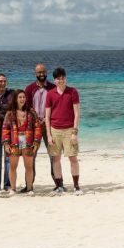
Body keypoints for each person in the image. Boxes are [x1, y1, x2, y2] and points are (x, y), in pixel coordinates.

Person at [45, 67, 81, 195]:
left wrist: (74, 133)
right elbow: (47, 116)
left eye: (63, 78)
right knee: (56, 159)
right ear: (54, 80)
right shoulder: (50, 94)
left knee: (73, 158)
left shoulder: (73, 92)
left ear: (65, 78)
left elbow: (77, 114)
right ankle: (59, 186)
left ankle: (76, 186)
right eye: (58, 78)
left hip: (69, 130)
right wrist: (49, 135)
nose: (61, 80)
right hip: (55, 130)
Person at [1, 89, 43, 195]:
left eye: (24, 97)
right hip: (14, 141)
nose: (22, 99)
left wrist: (36, 142)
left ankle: (29, 188)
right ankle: (13, 189)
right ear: (15, 99)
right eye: (20, 97)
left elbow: (37, 127)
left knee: (29, 167)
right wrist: (6, 143)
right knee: (12, 167)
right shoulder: (10, 113)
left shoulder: (31, 112)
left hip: (28, 141)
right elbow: (5, 129)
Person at [24, 64, 56, 187]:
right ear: (35, 74)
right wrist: (35, 120)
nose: (41, 74)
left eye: (43, 72)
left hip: (49, 126)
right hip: (33, 127)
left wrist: (47, 119)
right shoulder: (29, 88)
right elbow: (26, 107)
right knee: (31, 156)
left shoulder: (52, 88)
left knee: (53, 155)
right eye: (39, 72)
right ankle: (29, 185)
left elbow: (56, 106)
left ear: (46, 72)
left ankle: (58, 183)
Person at [0, 73, 14, 192]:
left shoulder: (11, 94)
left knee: (8, 157)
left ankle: (7, 184)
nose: (3, 83)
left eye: (4, 81)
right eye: (0, 81)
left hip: (9, 130)